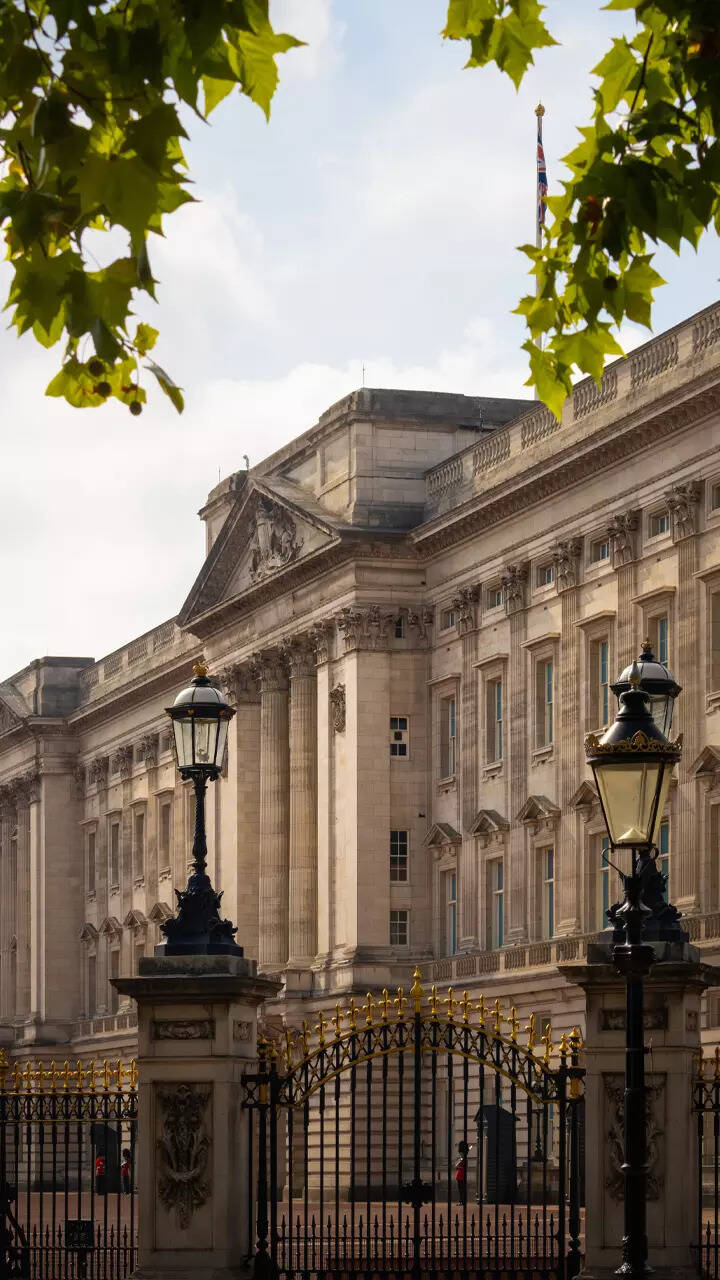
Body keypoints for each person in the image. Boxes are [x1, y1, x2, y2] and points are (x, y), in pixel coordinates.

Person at [455, 1140, 470, 1205]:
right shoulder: (463, 1158)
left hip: (461, 1174)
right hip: (461, 1175)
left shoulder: (463, 1158)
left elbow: (459, 1166)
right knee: (461, 1189)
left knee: (461, 1189)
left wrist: (457, 1166)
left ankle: (462, 1201)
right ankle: (462, 1201)